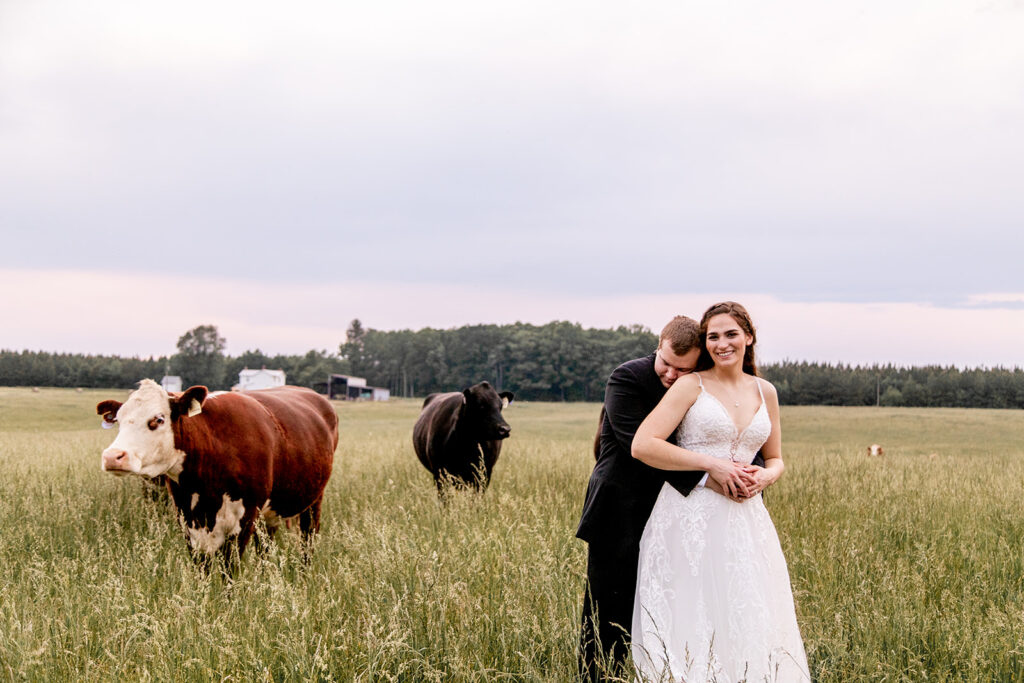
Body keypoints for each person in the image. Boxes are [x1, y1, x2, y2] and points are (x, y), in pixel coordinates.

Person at [576, 316, 768, 682]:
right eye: (666, 364)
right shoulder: (627, 378)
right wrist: (710, 477)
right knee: (608, 610)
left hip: (679, 514)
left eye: (684, 369)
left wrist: (748, 471)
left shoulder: (702, 385)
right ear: (658, 346)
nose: (671, 375)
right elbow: (641, 448)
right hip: (621, 508)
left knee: (670, 608)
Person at [631, 302, 810, 682]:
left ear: (748, 337)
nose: (721, 343)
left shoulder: (766, 391)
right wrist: (710, 464)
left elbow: (776, 457)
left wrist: (766, 477)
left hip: (747, 519)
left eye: (730, 334)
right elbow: (643, 444)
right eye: (713, 336)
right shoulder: (690, 384)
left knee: (746, 608)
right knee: (694, 610)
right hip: (689, 517)